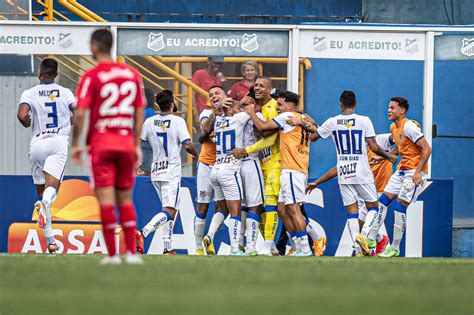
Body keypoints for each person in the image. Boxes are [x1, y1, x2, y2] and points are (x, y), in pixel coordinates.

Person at [71, 29, 145, 265]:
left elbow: (81, 114)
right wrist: (136, 145)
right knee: (125, 198)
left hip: (101, 144)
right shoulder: (132, 75)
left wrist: (76, 144)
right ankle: (132, 254)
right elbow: (139, 112)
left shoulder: (91, 76)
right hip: (125, 142)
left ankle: (112, 255)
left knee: (105, 200)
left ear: (94, 47)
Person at [306, 90, 397, 256]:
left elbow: (313, 137)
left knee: (352, 213)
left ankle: (358, 248)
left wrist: (309, 123)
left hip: (343, 172)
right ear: (355, 104)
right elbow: (374, 146)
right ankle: (364, 237)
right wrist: (388, 155)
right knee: (373, 208)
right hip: (362, 170)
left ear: (340, 104)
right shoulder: (364, 120)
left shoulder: (332, 122)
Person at [245, 91, 320, 256]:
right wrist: (303, 121)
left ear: (290, 106)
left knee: (293, 210)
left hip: (293, 169)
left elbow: (263, 127)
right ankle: (299, 245)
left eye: (280, 104)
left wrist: (251, 112)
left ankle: (306, 249)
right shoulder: (304, 117)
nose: (277, 108)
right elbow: (316, 132)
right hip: (294, 168)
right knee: (282, 210)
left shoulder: (286, 117)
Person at [16, 58, 75, 254]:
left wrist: (27, 124)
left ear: (40, 73)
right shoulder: (65, 93)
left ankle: (50, 241)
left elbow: (22, 115)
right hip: (57, 142)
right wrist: (69, 121)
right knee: (51, 190)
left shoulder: (29, 92)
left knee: (42, 193)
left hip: (37, 145)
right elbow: (79, 112)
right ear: (56, 75)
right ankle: (45, 204)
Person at [135, 90, 197, 255]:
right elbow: (188, 145)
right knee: (169, 211)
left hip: (156, 171)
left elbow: (137, 141)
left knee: (167, 210)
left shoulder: (149, 122)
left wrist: (137, 162)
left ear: (157, 104)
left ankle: (167, 247)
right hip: (171, 172)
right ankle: (143, 232)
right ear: (172, 104)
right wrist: (197, 156)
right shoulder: (177, 121)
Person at [377, 97, 432, 257]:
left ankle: (394, 247)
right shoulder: (394, 127)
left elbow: (427, 149)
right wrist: (385, 156)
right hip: (402, 169)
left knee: (400, 207)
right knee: (382, 201)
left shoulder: (409, 126)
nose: (389, 110)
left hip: (414, 171)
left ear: (402, 110)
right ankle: (373, 238)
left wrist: (417, 172)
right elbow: (401, 149)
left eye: (392, 108)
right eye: (389, 107)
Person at [206, 98, 251, 255]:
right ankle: (234, 249)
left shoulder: (218, 121)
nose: (241, 109)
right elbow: (253, 109)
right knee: (235, 211)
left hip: (215, 170)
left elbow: (211, 133)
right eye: (238, 107)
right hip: (229, 170)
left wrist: (219, 107)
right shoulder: (238, 118)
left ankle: (210, 235)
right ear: (231, 110)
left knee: (222, 209)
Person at [195, 86, 225, 255]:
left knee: (222, 207)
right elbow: (205, 129)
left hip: (224, 165)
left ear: (225, 95)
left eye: (217, 93)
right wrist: (217, 111)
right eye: (211, 94)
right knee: (202, 207)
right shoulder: (206, 114)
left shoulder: (234, 113)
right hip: (206, 164)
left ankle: (210, 238)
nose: (214, 96)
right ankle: (198, 247)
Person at [137, 88, 157, 176]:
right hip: (146, 144)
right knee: (145, 171)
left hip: (142, 143)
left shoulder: (143, 112)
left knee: (142, 170)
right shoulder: (150, 112)